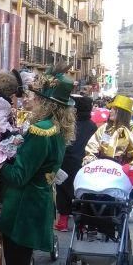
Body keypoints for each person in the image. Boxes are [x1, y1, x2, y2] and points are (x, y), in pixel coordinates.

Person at [0, 66, 75, 265]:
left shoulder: (41, 132)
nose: (28, 98)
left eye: (33, 95)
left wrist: (1, 160)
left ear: (46, 102)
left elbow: (18, 176)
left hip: (25, 209)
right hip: (34, 204)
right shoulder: (52, 129)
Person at [83, 94, 133, 186]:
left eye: (114, 109)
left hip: (123, 175)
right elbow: (92, 146)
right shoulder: (105, 128)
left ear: (122, 112)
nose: (111, 111)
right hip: (101, 172)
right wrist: (91, 160)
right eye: (111, 108)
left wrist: (131, 167)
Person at [54, 96, 97, 231]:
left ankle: (63, 221)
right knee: (82, 190)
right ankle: (83, 222)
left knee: (63, 189)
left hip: (67, 161)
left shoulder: (68, 124)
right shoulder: (93, 126)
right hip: (84, 162)